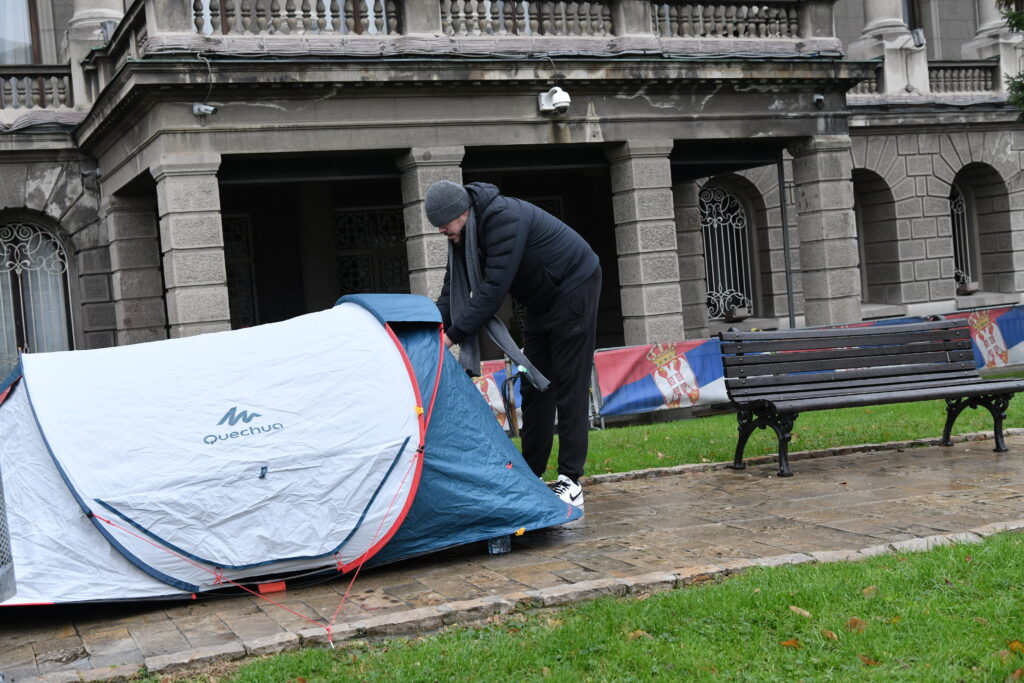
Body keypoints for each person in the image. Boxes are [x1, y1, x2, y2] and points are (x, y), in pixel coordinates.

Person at [427, 180, 601, 510]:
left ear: (461, 214)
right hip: (539, 302)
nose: (440, 231)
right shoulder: (463, 239)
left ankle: (570, 482)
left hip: (575, 286)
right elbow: (452, 293)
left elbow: (491, 293)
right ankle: (531, 476)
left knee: (568, 385)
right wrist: (430, 331)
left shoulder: (503, 219)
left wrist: (450, 338)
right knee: (534, 384)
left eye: (442, 223)